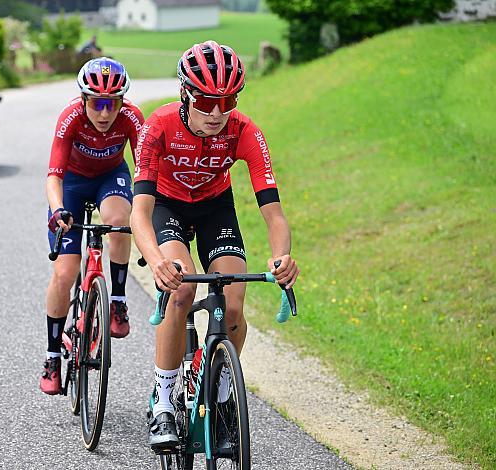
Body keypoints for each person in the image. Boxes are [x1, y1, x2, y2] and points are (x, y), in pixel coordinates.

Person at [130, 40, 300, 448]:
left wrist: (281, 257)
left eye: (228, 100)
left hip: (214, 208)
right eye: (206, 100)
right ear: (186, 93)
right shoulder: (159, 125)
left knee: (234, 303)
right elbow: (139, 212)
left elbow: (274, 213)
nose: (217, 112)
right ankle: (164, 401)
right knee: (181, 288)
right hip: (167, 206)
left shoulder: (244, 130)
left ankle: (221, 399)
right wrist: (155, 261)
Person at [41, 57, 144, 395]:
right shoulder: (70, 118)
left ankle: (116, 299)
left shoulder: (131, 118)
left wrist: (150, 213)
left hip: (110, 177)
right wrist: (58, 211)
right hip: (71, 184)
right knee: (64, 273)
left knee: (118, 221)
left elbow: (146, 174)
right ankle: (53, 355)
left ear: (122, 102)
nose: (104, 113)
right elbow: (53, 176)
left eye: (112, 104)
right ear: (84, 100)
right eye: (97, 104)